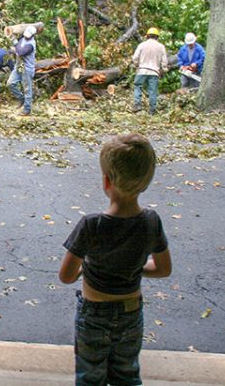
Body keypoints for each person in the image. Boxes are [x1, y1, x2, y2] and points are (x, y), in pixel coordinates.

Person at [59, 133, 172, 386]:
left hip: (93, 315)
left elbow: (66, 276)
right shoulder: (151, 222)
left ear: (106, 181)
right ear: (145, 183)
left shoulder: (91, 225)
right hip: (131, 313)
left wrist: (84, 270)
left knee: (90, 376)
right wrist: (134, 267)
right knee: (127, 374)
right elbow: (163, 269)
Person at [132, 27, 168, 115]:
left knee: (138, 86)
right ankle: (152, 109)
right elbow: (164, 62)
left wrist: (137, 65)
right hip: (154, 72)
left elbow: (135, 58)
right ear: (157, 37)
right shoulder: (161, 47)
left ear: (147, 36)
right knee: (153, 91)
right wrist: (164, 69)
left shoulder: (142, 45)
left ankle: (137, 104)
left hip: (142, 70)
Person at [6, 25, 38, 116]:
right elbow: (18, 48)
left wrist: (13, 41)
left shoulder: (31, 45)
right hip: (19, 66)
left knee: (27, 89)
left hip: (27, 69)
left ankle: (27, 109)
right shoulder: (23, 39)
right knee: (10, 83)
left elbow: (20, 52)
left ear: (33, 35)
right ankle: (21, 98)